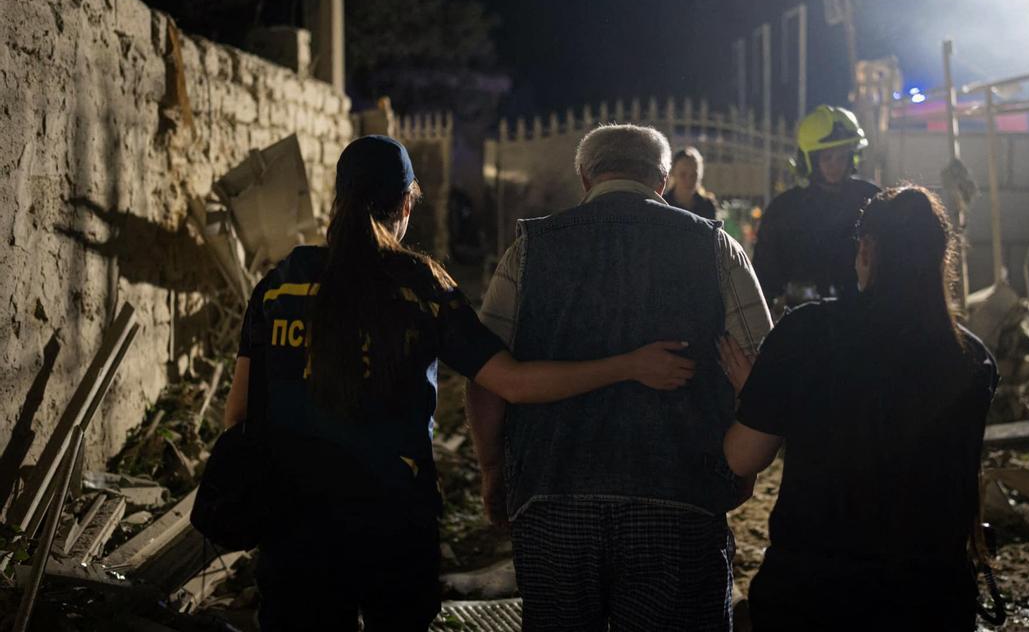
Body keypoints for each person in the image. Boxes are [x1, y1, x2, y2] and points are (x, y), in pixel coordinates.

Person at [223, 135, 697, 632]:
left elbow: (238, 416)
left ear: (337, 199)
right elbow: (509, 382)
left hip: (292, 527)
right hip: (391, 527)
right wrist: (627, 365)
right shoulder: (420, 288)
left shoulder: (280, 286)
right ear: (407, 202)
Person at [466, 124, 772, 632]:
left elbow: (486, 379)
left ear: (585, 177)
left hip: (552, 495)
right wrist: (741, 472)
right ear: (662, 180)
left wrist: (494, 470)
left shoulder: (530, 250)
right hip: (681, 497)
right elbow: (762, 376)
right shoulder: (716, 247)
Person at [720, 185, 998, 631]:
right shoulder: (972, 359)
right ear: (939, 260)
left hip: (816, 595)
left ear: (866, 248)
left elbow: (742, 456)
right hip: (930, 600)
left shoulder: (807, 334)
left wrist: (764, 395)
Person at [752, 105, 879, 307]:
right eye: (827, 157)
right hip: (802, 320)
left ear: (852, 156)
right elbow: (765, 272)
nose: (834, 165)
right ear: (810, 159)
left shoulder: (870, 199)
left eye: (841, 157)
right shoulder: (785, 209)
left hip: (860, 316)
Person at [664, 146, 718, 220]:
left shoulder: (707, 205)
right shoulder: (664, 203)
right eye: (683, 175)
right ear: (673, 173)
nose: (689, 180)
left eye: (694, 175)